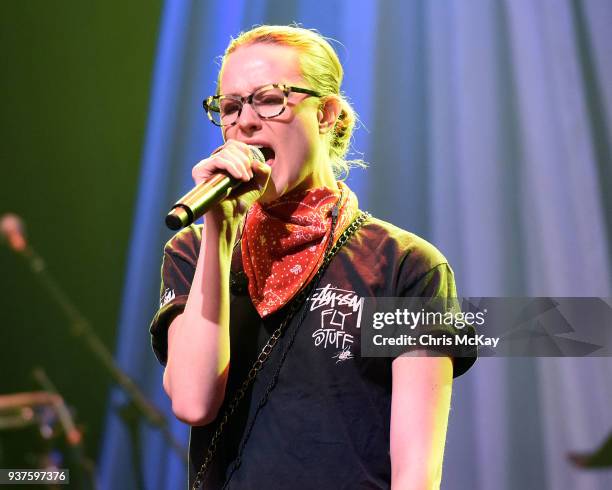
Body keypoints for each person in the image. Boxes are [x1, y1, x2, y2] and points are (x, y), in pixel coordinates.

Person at [150, 25, 476, 490]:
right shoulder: (193, 251)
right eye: (229, 106)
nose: (244, 121)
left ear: (326, 114)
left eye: (268, 99)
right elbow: (192, 402)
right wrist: (220, 231)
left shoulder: (403, 265)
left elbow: (416, 472)